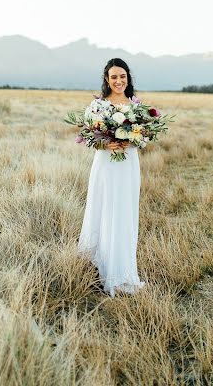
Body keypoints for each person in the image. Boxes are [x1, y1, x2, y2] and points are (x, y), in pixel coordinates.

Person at [77, 58, 145, 297]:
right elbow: (89, 138)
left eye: (123, 76)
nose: (119, 81)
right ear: (107, 79)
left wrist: (131, 140)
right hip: (106, 165)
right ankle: (99, 266)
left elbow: (142, 136)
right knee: (104, 209)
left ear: (128, 78)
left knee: (124, 212)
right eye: (114, 77)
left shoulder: (137, 107)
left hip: (128, 166)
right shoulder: (98, 106)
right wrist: (108, 144)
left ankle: (123, 270)